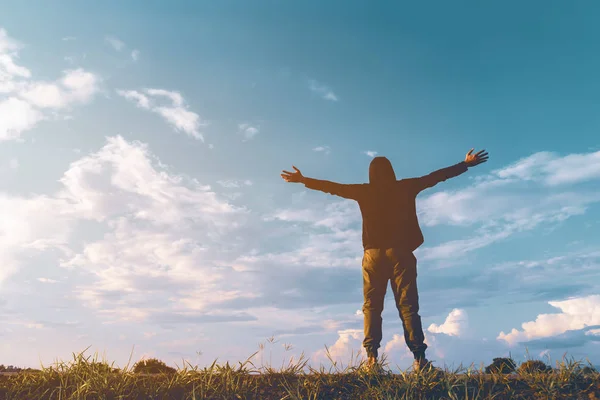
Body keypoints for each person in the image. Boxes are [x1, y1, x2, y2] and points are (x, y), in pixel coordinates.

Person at [281, 148, 489, 372]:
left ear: (370, 174)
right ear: (391, 171)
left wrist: (303, 180)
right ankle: (420, 360)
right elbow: (435, 177)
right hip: (400, 253)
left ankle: (372, 361)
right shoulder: (406, 187)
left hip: (372, 255)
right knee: (408, 306)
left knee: (371, 307)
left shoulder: (364, 191)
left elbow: (333, 188)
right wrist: (465, 164)